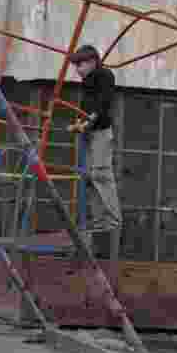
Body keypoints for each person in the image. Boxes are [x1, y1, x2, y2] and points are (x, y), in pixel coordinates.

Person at [67, 45, 122, 234]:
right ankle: (98, 221)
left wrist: (87, 122)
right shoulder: (88, 80)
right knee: (90, 177)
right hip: (90, 133)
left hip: (101, 132)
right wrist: (78, 123)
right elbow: (86, 105)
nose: (77, 70)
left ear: (92, 62)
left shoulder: (105, 75)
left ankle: (113, 221)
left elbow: (102, 104)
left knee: (101, 174)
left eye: (80, 64)